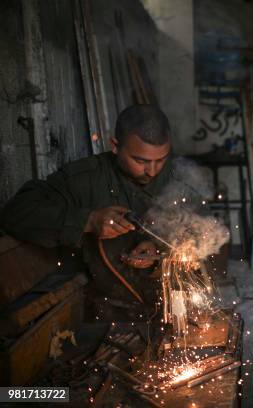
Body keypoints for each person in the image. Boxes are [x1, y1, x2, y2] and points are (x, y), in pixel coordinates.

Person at [0, 104, 174, 322]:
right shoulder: (83, 179)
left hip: (163, 308)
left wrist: (155, 247)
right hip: (100, 313)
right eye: (140, 161)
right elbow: (16, 212)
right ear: (115, 146)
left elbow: (197, 231)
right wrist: (88, 221)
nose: (152, 170)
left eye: (160, 159)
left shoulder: (175, 175)